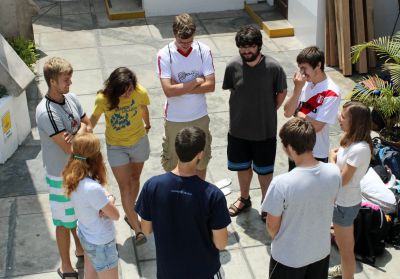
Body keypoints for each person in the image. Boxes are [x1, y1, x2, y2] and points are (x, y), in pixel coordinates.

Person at [135, 127, 231, 279]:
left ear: (176, 149)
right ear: (200, 154)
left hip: (168, 273)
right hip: (204, 272)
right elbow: (221, 244)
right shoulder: (213, 195)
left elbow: (146, 229)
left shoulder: (151, 186)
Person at [222, 25, 287, 221]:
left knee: (265, 171)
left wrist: (269, 109)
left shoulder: (274, 68)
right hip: (238, 130)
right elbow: (232, 89)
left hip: (264, 132)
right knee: (242, 168)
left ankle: (266, 204)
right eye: (242, 47)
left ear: (259, 46)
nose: (246, 51)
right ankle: (244, 198)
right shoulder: (232, 66)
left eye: (250, 47)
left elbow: (281, 92)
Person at [262, 117, 341, 279]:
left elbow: (272, 227)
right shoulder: (334, 172)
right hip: (320, 253)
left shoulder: (281, 184)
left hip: (288, 258)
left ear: (290, 148)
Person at [35, 57, 92, 278]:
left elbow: (89, 125)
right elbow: (69, 148)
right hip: (61, 176)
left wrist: (77, 133)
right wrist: (82, 132)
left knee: (79, 215)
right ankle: (66, 266)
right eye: (65, 79)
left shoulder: (72, 99)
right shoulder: (46, 112)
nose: (70, 83)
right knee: (63, 221)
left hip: (80, 170)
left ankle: (80, 249)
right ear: (52, 81)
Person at [90, 67, 150, 245]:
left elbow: (143, 108)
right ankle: (137, 228)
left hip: (138, 141)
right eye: (122, 92)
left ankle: (129, 213)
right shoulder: (103, 99)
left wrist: (147, 124)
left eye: (129, 90)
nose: (127, 94)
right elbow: (93, 119)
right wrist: (84, 134)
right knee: (125, 187)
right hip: (116, 147)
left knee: (135, 178)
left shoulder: (140, 92)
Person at [156, 13, 215, 180]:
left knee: (200, 161)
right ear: (174, 34)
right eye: (181, 42)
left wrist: (179, 87)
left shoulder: (204, 51)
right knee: (173, 163)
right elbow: (168, 91)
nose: (185, 46)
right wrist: (196, 81)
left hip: (200, 115)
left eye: (189, 42)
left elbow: (210, 85)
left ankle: (198, 197)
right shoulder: (164, 54)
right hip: (175, 117)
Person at [63, 133, 120, 279]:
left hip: (86, 234)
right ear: (95, 157)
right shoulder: (92, 188)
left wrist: (104, 201)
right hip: (101, 243)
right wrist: (110, 198)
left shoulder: (74, 178)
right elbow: (115, 215)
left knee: (90, 276)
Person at [328, 101, 372, 279]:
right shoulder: (351, 140)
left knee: (346, 249)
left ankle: (347, 274)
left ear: (355, 122)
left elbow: (342, 180)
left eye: (344, 116)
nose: (339, 117)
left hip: (345, 205)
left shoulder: (360, 149)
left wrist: (331, 158)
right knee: (344, 244)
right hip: (342, 202)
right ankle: (345, 269)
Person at [283, 46, 341, 170]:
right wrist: (297, 88)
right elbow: (287, 112)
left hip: (316, 153)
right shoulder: (303, 84)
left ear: (318, 65)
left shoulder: (332, 91)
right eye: (300, 68)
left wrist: (298, 113)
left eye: (304, 68)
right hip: (295, 148)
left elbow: (317, 126)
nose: (302, 73)